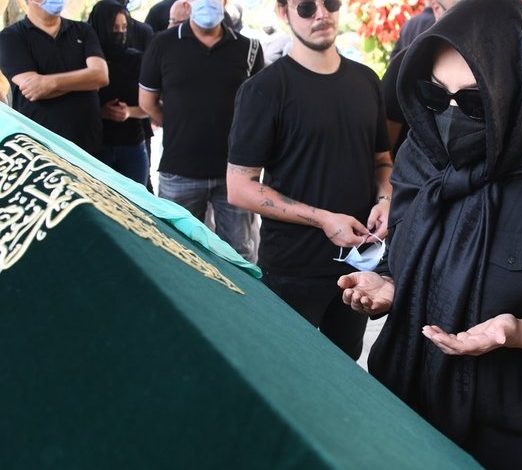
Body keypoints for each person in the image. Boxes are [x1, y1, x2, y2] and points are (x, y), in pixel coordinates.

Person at [338, 0, 522, 467]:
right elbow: (410, 246)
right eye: (436, 96)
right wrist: (392, 282)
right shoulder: (421, 155)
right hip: (406, 407)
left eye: (475, 103)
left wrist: (521, 332)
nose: (451, 115)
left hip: (515, 435)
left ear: (519, 92)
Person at [227, 0, 393, 360]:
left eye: (330, 3)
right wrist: (323, 219)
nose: (321, 14)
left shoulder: (366, 81)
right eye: (305, 7)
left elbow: (382, 161)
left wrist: (385, 199)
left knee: (343, 369)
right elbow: (239, 187)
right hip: (291, 268)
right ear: (283, 12)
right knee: (284, 371)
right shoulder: (264, 89)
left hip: (356, 267)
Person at [139, 0, 263, 263]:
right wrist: (178, 124)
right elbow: (147, 102)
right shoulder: (163, 44)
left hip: (235, 175)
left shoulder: (249, 48)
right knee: (174, 252)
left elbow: (259, 109)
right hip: (179, 171)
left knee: (240, 255)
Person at [0, 0, 109, 157]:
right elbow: (35, 89)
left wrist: (49, 82)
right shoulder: (10, 37)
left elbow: (100, 76)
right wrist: (85, 81)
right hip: (40, 150)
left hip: (89, 147)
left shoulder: (83, 30)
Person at [382, 0, 454, 157]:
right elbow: (384, 149)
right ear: (437, 9)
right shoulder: (403, 65)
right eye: (459, 11)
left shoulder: (496, 65)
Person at [88, 1, 149, 184]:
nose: (120, 33)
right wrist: (100, 112)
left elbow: (152, 103)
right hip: (96, 146)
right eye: (114, 28)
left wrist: (129, 112)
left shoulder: (137, 60)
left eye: (124, 27)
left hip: (132, 143)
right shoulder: (85, 61)